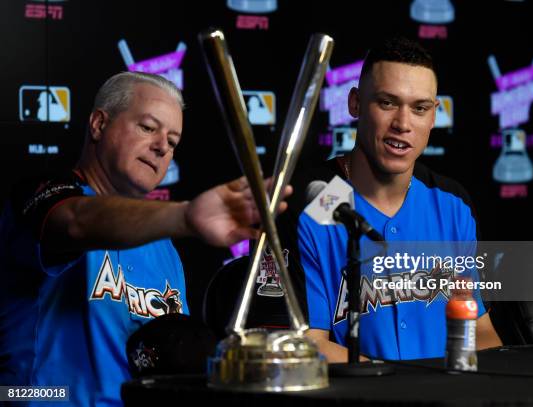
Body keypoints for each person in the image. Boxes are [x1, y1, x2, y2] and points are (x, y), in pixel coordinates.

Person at [0, 72, 289, 406]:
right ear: (98, 124)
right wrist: (184, 216)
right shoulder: (40, 197)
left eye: (173, 140)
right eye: (148, 127)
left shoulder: (164, 247)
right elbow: (77, 222)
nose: (162, 146)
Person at [278, 36, 502, 362]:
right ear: (355, 103)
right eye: (386, 103)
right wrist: (391, 386)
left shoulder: (452, 204)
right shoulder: (315, 203)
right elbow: (309, 343)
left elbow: (479, 331)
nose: (403, 124)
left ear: (434, 115)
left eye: (420, 108)